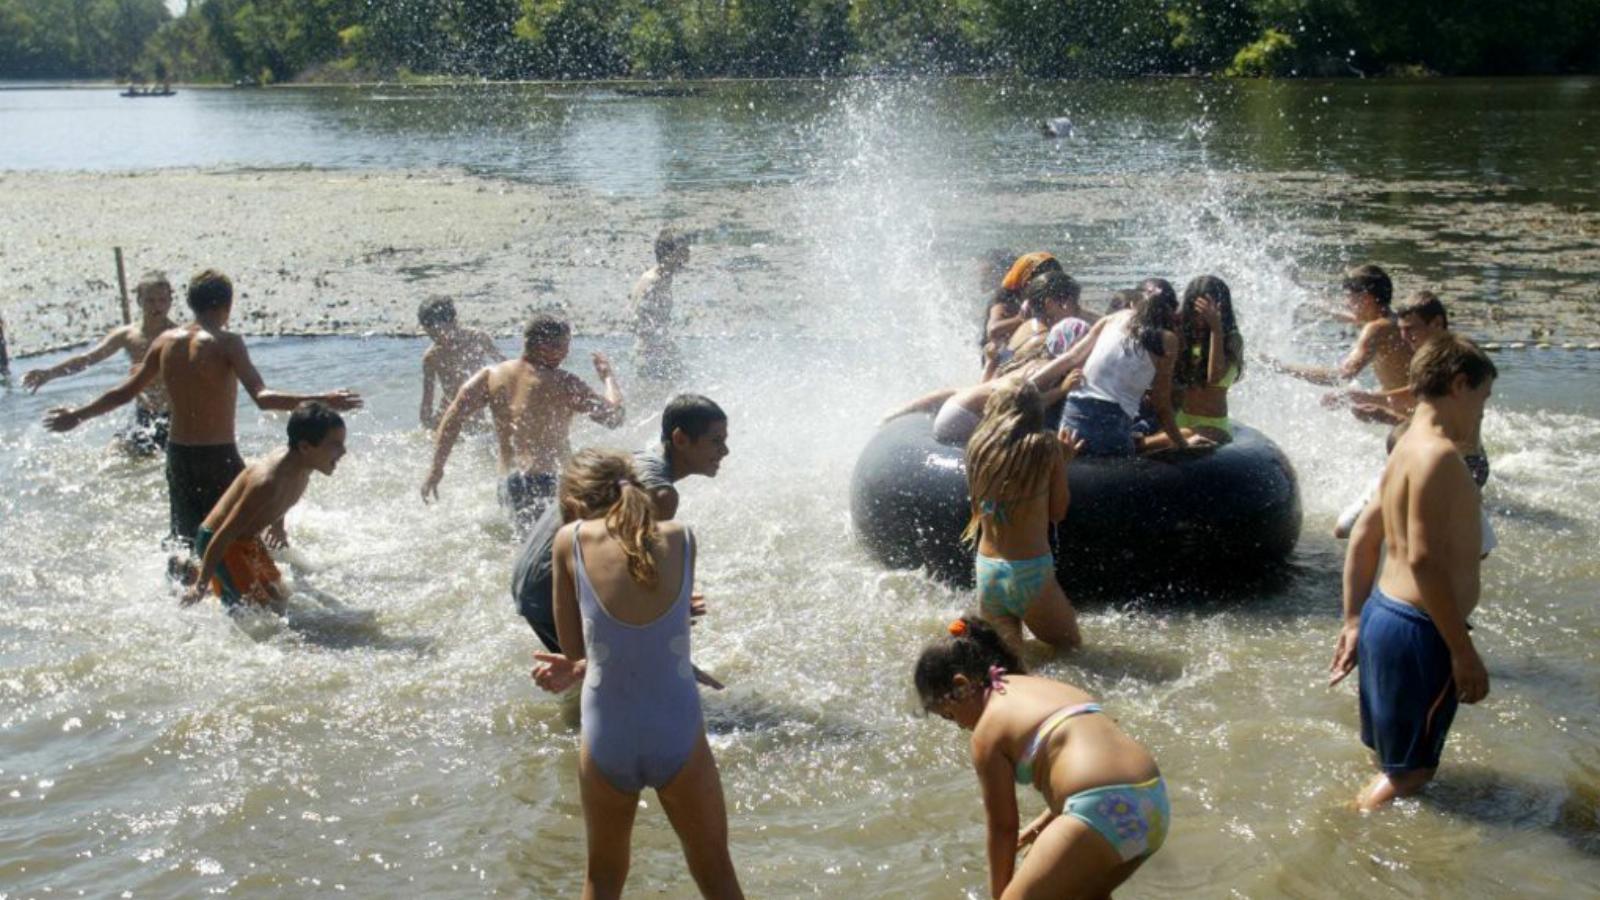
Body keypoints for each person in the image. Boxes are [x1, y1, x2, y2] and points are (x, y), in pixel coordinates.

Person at [43, 269, 363, 548]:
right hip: (219, 455)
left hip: (179, 455)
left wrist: (77, 416)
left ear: (189, 304)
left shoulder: (165, 341)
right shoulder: (227, 342)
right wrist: (324, 399)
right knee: (241, 531)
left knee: (184, 541)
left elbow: (124, 392)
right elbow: (263, 398)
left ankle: (183, 599)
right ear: (228, 305)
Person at [549, 449, 744, 900]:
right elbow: (664, 619)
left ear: (577, 505)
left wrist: (572, 663)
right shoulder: (682, 537)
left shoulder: (569, 540)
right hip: (675, 726)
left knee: (603, 876)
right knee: (714, 868)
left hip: (608, 732)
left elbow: (576, 649)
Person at [1329, 334, 1498, 810]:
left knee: (1391, 760)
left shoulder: (1405, 446)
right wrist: (1463, 652)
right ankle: (1346, 837)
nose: (1482, 414)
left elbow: (1363, 537)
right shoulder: (1440, 455)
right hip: (1420, 633)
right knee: (1411, 774)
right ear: (1460, 385)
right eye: (1482, 400)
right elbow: (1423, 560)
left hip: (1385, 616)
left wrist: (1354, 619)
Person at [916, 616, 1169, 899]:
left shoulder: (986, 733)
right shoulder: (1042, 686)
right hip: (1153, 802)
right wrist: (1039, 826)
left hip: (1101, 811)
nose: (960, 726)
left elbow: (1002, 827)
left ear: (961, 686)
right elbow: (1094, 767)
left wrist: (1001, 895)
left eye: (949, 716)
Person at [520, 395, 729, 692]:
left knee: (598, 682)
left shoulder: (637, 459)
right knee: (619, 685)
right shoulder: (661, 495)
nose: (725, 451)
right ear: (680, 439)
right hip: (549, 585)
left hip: (530, 577)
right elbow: (626, 580)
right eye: (716, 441)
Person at [421, 314, 624, 533]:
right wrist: (607, 378)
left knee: (522, 547)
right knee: (559, 551)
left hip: (509, 484)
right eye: (565, 346)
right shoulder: (564, 383)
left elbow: (453, 417)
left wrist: (436, 468)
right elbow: (614, 417)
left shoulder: (491, 375)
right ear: (546, 347)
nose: (566, 353)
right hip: (549, 482)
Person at [182, 402, 348, 612]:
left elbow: (284, 498)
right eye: (335, 445)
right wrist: (200, 585)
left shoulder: (302, 464)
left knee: (280, 596)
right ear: (305, 447)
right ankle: (201, 580)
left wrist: (278, 525)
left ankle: (206, 577)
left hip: (247, 540)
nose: (343, 451)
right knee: (260, 613)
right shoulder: (267, 483)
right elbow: (224, 533)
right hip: (220, 542)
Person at [963, 380, 1083, 655]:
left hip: (987, 570)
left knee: (1009, 665)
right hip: (1030, 572)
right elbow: (1057, 513)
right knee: (1071, 650)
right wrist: (1062, 463)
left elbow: (981, 508)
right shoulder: (1046, 447)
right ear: (1035, 412)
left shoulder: (977, 447)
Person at [1037, 278, 1204, 457]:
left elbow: (1070, 357)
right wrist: (1183, 444)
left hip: (1073, 417)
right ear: (1172, 312)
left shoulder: (1113, 318)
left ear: (1133, 303)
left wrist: (1030, 383)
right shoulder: (1168, 340)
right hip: (1112, 424)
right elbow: (1161, 402)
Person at [24, 271, 179, 455]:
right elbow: (87, 359)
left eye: (162, 300)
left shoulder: (178, 336)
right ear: (139, 301)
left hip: (173, 418)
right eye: (150, 300)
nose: (157, 306)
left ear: (171, 301)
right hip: (143, 415)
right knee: (110, 456)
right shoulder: (128, 335)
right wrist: (49, 373)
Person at [880, 344, 1080, 447]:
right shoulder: (1042, 370)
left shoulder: (1030, 364)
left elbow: (988, 390)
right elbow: (1024, 403)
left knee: (960, 391)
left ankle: (898, 412)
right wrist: (1062, 390)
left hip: (953, 412)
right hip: (961, 422)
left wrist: (991, 363)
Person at [1262, 264, 1413, 398]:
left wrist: (1282, 367)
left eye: (1348, 297)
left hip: (1408, 415)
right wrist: (1301, 291)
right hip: (1411, 404)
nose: (1346, 303)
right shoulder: (1391, 319)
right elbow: (1338, 311)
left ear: (1366, 299)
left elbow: (1342, 376)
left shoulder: (1376, 329)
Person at [1327, 291, 1449, 425]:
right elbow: (1427, 412)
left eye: (1410, 329)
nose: (1404, 337)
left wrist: (1364, 398)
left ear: (1437, 323)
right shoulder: (1427, 354)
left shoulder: (1451, 355)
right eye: (1402, 329)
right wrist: (1384, 415)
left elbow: (1418, 395)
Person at [1171, 274, 1245, 445]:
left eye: (1206, 313)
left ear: (1221, 310)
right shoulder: (1188, 336)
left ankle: (1140, 443)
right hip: (1181, 420)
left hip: (1213, 426)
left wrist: (1216, 328)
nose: (1199, 319)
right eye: (1195, 312)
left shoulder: (1233, 339)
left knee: (1155, 442)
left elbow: (1214, 378)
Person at [417, 296, 503, 431]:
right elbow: (427, 403)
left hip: (476, 411)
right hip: (448, 414)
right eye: (432, 336)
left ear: (454, 322)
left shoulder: (478, 339)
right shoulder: (432, 357)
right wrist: (428, 427)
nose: (439, 341)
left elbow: (505, 366)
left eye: (440, 334)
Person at [984, 252, 1062, 379]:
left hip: (1025, 353)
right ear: (1027, 282)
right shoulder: (1004, 300)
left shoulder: (1048, 299)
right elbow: (993, 330)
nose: (1048, 287)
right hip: (997, 358)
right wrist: (1019, 319)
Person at [632, 228, 691, 382]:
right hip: (650, 355)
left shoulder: (664, 278)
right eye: (683, 251)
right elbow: (637, 321)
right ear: (669, 254)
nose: (687, 257)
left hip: (662, 351)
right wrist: (659, 349)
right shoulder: (652, 281)